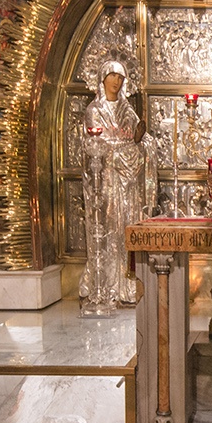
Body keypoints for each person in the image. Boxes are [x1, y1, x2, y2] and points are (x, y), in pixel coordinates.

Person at [78, 60, 153, 314]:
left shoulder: (127, 110)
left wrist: (142, 144)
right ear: (102, 79)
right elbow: (94, 144)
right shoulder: (94, 109)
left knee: (127, 226)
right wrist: (122, 151)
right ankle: (105, 285)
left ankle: (127, 284)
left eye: (120, 77)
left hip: (128, 183)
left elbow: (139, 138)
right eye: (112, 76)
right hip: (106, 182)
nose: (116, 81)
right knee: (107, 229)